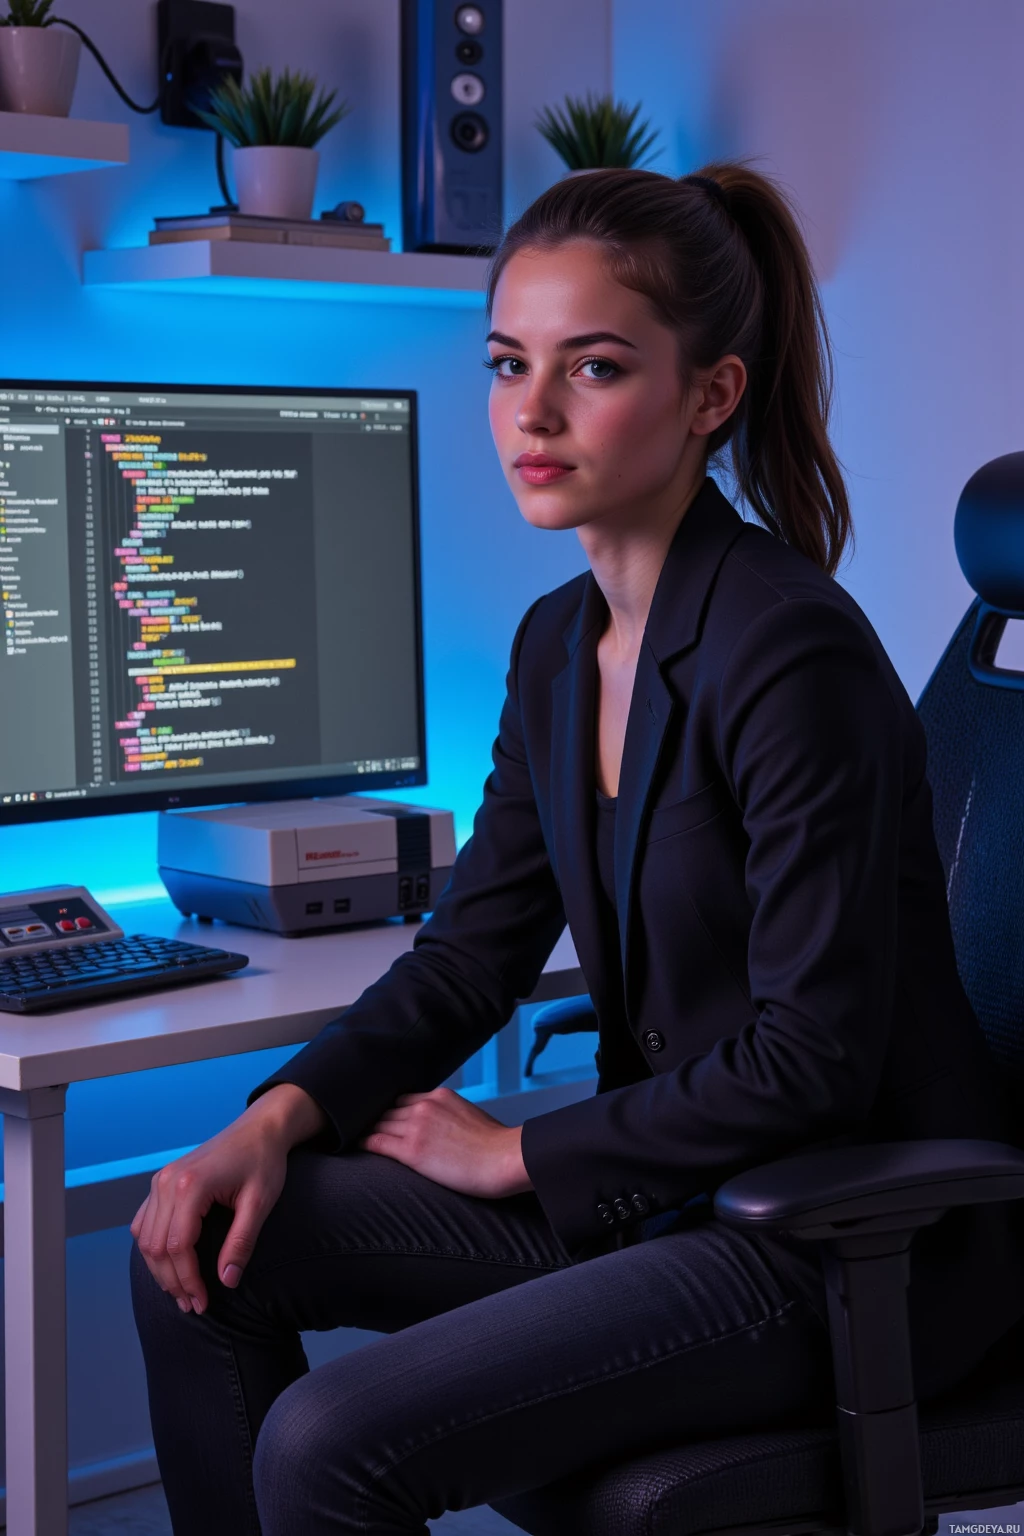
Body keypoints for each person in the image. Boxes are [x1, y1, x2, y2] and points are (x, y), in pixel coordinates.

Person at [129, 162, 1024, 1536]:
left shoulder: (792, 651)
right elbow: (467, 960)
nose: (529, 414)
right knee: (194, 1239)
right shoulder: (558, 647)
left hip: (831, 1240)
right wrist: (273, 1120)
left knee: (325, 1444)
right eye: (506, 364)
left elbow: (816, 1055)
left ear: (711, 394)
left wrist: (522, 1160)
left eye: (591, 367)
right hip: (667, 1196)